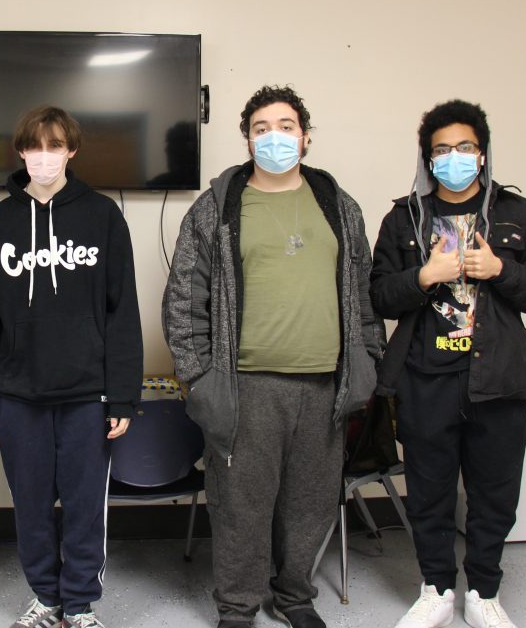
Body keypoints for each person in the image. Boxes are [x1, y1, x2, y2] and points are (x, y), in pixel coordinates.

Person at [162, 85, 383, 628]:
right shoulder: (217, 208)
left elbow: (363, 293)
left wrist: (366, 362)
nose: (274, 137)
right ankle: (237, 608)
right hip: (245, 388)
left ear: (305, 137)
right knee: (241, 506)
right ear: (247, 139)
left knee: (308, 505)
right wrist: (201, 380)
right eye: (261, 128)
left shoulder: (338, 204)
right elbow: (185, 297)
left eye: (285, 126)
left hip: (323, 386)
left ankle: (295, 598)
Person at [371, 100, 526, 628]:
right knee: (428, 491)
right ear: (427, 159)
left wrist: (500, 269)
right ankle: (435, 589)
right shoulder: (404, 218)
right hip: (425, 378)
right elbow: (380, 297)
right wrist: (423, 277)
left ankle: (483, 592)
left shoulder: (519, 215)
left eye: (465, 147)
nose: (454, 157)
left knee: (494, 493)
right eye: (441, 150)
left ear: (482, 153)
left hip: (498, 381)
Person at [0, 105, 143, 628]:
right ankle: (46, 599)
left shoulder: (104, 215)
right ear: (21, 152)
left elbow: (122, 312)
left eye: (55, 145)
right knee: (32, 507)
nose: (45, 156)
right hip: (17, 395)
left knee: (86, 507)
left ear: (71, 151)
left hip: (88, 396)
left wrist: (123, 394)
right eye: (35, 146)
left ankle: (81, 605)